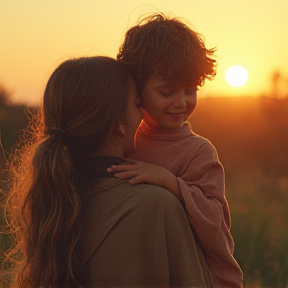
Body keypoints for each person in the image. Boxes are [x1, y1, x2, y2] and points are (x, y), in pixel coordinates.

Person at [4, 56, 212, 287]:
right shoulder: (157, 205)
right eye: (137, 104)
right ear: (121, 123)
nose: (142, 114)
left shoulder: (49, 202)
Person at [110, 13, 243, 287]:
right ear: (136, 88)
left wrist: (172, 183)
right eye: (167, 92)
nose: (181, 102)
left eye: (190, 90)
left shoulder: (199, 152)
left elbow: (216, 225)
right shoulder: (120, 140)